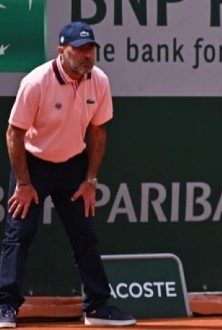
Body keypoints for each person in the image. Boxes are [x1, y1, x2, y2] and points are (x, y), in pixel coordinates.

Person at [0, 22, 136, 327]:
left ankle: (98, 308)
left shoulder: (98, 81)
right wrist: (23, 182)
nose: (87, 55)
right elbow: (14, 133)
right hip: (33, 165)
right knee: (18, 235)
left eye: (90, 48)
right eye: (79, 49)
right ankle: (4, 306)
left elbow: (98, 131)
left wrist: (90, 180)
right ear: (62, 51)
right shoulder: (36, 83)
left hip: (73, 164)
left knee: (85, 235)